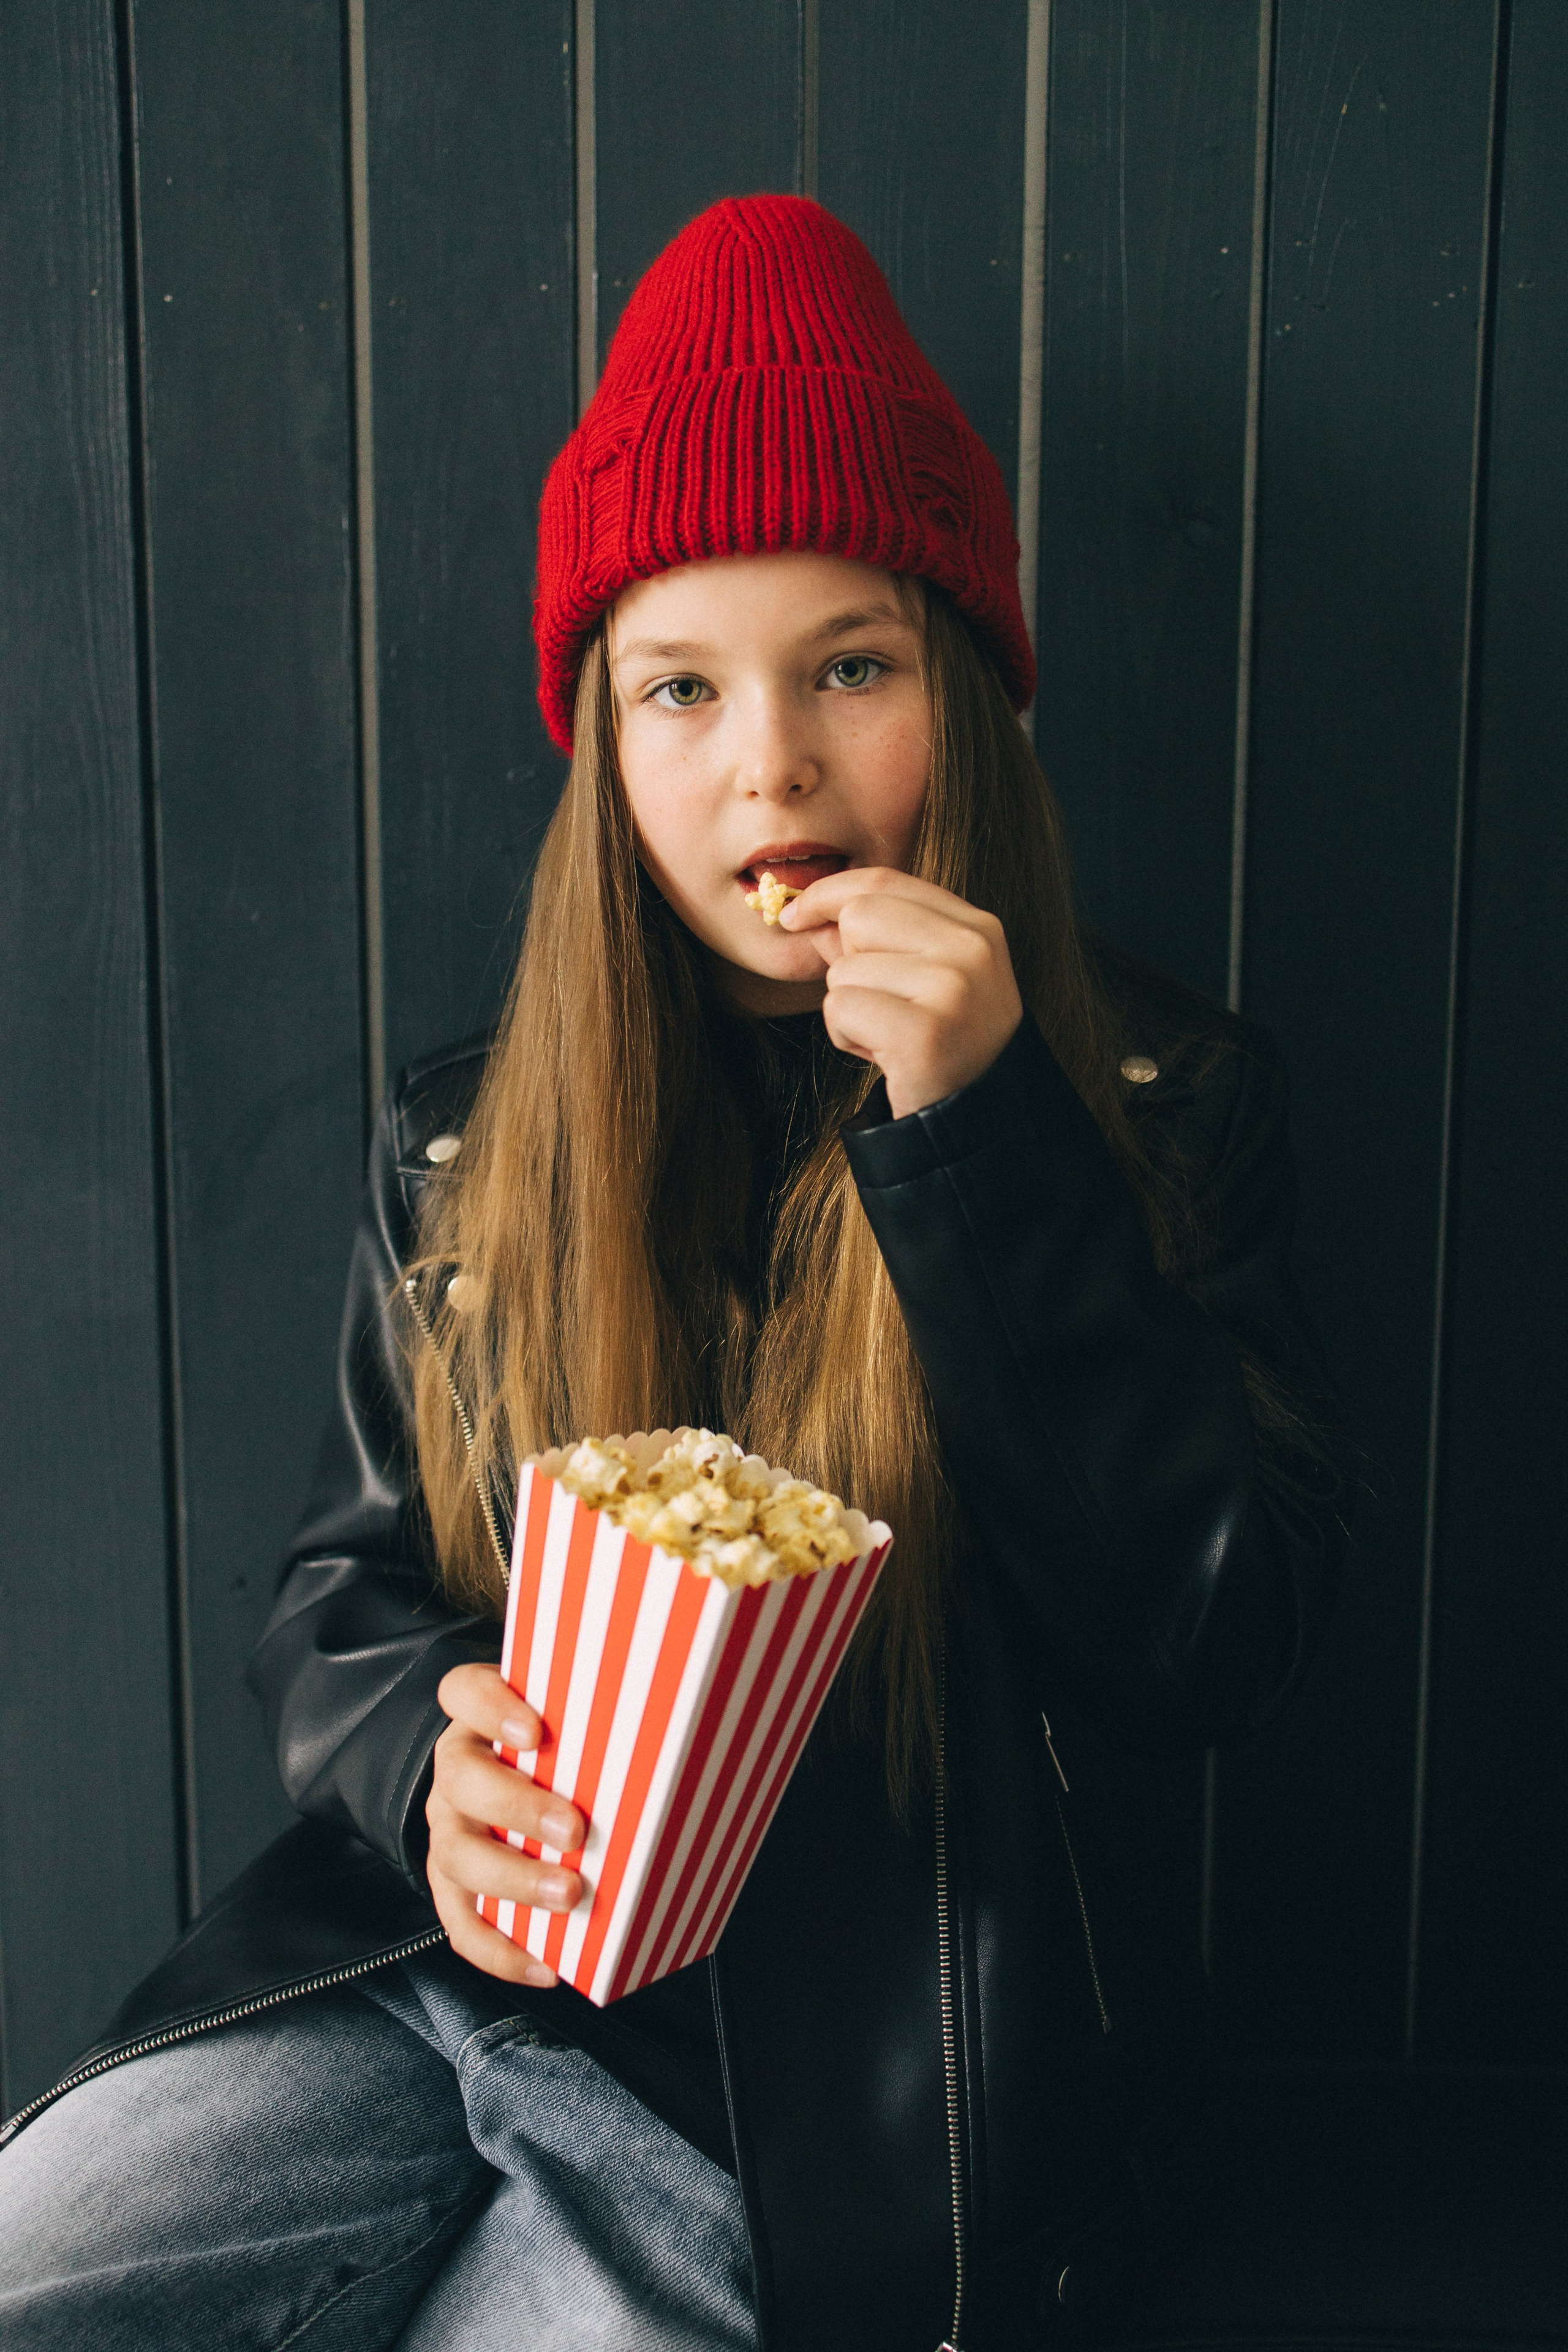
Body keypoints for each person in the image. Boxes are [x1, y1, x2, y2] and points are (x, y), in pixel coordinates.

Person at [0, 196, 1348, 2351]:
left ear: (967, 694)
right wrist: (423, 1767)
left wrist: (989, 1141)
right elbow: (343, 1589)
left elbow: (1207, 1655)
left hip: (808, 2089)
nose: (770, 762)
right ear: (605, 746)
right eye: (682, 688)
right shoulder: (466, 1137)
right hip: (430, 1976)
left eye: (852, 667)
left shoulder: (1163, 1102)